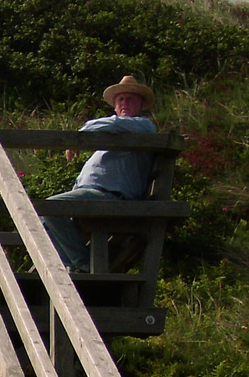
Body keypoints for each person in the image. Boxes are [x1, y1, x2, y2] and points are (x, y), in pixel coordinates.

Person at [40, 76, 160, 272]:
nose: (124, 103)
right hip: (95, 193)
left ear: (141, 104)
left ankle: (83, 265)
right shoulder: (114, 135)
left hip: (113, 196)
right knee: (43, 218)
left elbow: (113, 124)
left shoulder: (142, 126)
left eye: (130, 99)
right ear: (114, 105)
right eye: (120, 100)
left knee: (49, 207)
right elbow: (111, 126)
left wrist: (79, 135)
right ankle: (71, 267)